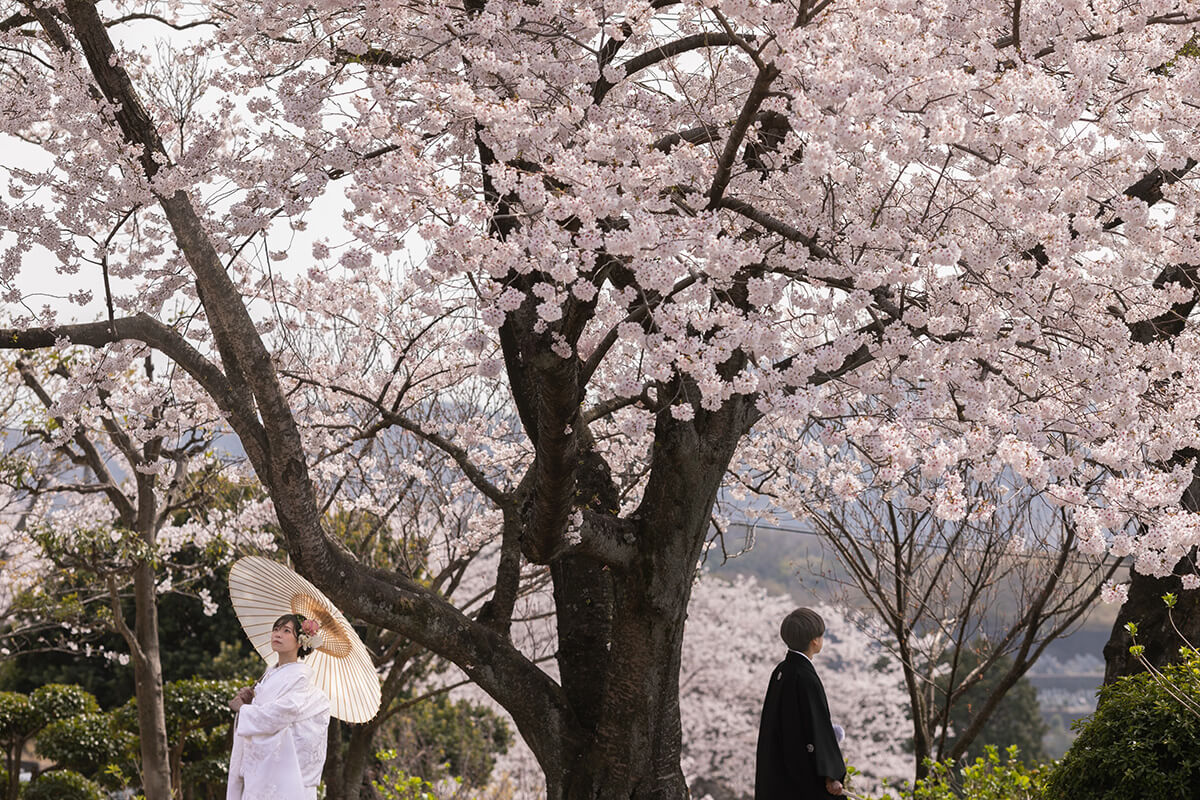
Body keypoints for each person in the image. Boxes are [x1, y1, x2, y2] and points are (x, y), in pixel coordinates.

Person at [227, 614, 332, 800]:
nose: (277, 634)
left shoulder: (300, 678)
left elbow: (282, 713)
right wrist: (251, 700)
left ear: (301, 641)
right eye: (276, 629)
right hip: (260, 767)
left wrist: (243, 710)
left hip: (280, 770)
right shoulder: (271, 674)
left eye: (286, 631)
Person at [755, 607, 847, 800]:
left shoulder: (781, 671)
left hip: (780, 769)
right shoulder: (805, 677)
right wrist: (831, 774)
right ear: (815, 640)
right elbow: (817, 727)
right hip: (803, 774)